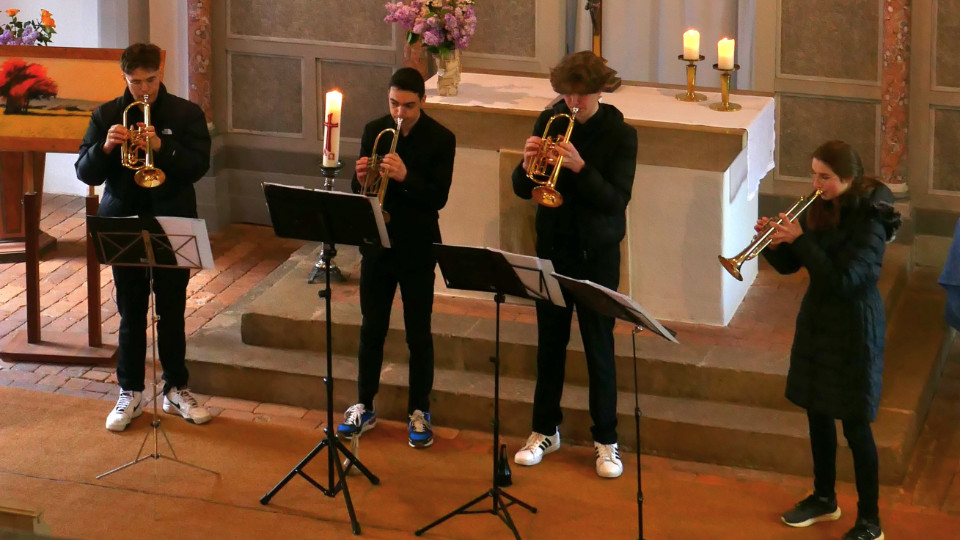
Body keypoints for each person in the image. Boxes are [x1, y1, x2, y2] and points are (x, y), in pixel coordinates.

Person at [761, 141, 900, 540]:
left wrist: (800, 240)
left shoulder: (871, 220)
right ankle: (824, 499)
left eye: (825, 177)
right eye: (813, 174)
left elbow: (847, 280)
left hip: (855, 327)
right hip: (820, 320)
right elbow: (798, 265)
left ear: (848, 179)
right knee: (817, 412)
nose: (816, 183)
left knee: (856, 427)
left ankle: (870, 521)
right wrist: (777, 244)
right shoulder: (819, 208)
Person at [510, 51, 637, 478]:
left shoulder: (621, 134)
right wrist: (527, 163)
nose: (572, 103)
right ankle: (545, 430)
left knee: (599, 347)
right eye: (566, 94)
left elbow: (616, 201)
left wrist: (580, 167)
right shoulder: (548, 120)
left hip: (597, 254)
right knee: (550, 345)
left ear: (598, 91)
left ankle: (607, 441)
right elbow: (520, 187)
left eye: (580, 95)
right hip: (554, 249)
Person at [76, 43, 213, 432]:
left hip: (173, 219)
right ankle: (130, 391)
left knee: (172, 310)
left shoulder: (186, 114)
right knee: (131, 310)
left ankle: (175, 388)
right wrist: (105, 147)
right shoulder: (106, 114)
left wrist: (161, 146)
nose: (144, 90)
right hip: (124, 220)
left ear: (161, 72)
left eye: (150, 80)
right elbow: (86, 173)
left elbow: (198, 166)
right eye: (135, 82)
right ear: (124, 77)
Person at [336, 67, 456, 449]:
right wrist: (362, 179)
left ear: (422, 101)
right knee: (372, 327)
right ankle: (364, 404)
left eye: (408, 106)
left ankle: (419, 409)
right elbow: (363, 190)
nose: (399, 113)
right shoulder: (376, 129)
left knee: (418, 333)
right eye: (393, 104)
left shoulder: (441, 138)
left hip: (418, 246)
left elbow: (438, 198)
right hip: (378, 243)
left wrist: (405, 177)